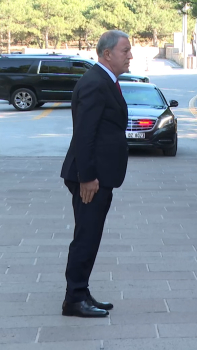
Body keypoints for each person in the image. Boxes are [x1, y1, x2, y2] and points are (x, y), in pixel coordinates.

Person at [60, 30, 132, 318]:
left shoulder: (105, 80)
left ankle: (81, 291)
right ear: (107, 54)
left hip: (99, 174)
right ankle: (74, 298)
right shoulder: (94, 83)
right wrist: (87, 177)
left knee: (90, 235)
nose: (130, 56)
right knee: (86, 236)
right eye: (125, 50)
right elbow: (84, 134)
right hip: (90, 177)